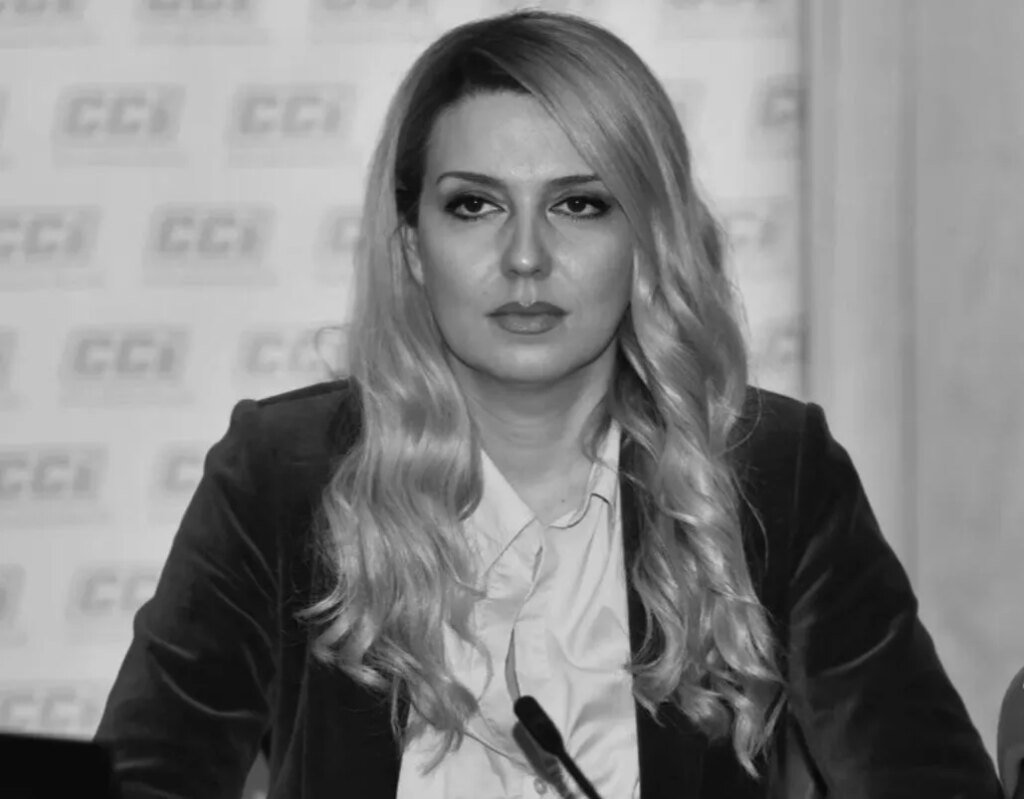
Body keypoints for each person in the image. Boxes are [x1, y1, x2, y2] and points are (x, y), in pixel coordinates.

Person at [93, 9, 1002, 799]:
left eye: (578, 204)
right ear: (411, 246)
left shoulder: (774, 475)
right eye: (475, 206)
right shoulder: (283, 476)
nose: (525, 257)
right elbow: (145, 777)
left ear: (647, 239)